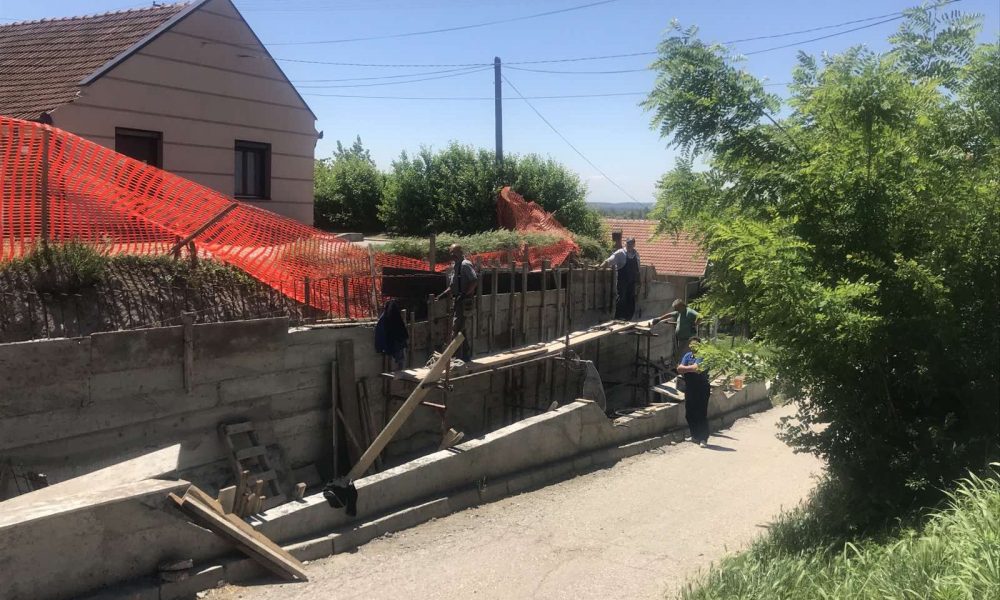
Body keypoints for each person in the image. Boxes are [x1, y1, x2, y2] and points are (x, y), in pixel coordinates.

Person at [437, 244, 478, 361]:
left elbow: (474, 281)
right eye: (450, 253)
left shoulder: (465, 265)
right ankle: (465, 356)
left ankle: (455, 356)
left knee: (456, 328)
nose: (451, 255)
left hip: (464, 301)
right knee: (461, 329)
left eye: (453, 252)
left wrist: (464, 294)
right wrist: (441, 295)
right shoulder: (456, 266)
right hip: (458, 300)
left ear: (460, 252)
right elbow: (453, 286)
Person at [675, 337, 711, 446]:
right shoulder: (687, 356)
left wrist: (686, 368)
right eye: (691, 344)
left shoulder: (703, 356)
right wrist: (690, 368)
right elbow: (679, 369)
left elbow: (697, 369)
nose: (692, 346)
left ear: (700, 346)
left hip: (702, 388)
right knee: (689, 413)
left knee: (701, 413)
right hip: (690, 387)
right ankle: (695, 436)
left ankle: (703, 439)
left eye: (695, 344)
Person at [601, 237, 640, 320]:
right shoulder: (620, 253)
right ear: (625, 243)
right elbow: (610, 260)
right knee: (621, 298)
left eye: (631, 244)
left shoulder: (636, 254)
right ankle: (619, 318)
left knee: (631, 299)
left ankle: (629, 318)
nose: (629, 245)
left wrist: (638, 281)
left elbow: (638, 269)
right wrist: (601, 266)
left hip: (632, 282)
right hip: (622, 281)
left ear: (634, 244)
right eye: (628, 243)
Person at [652, 299, 701, 364]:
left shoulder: (689, 312)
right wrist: (659, 319)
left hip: (688, 340)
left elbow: (700, 316)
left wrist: (695, 324)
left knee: (684, 356)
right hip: (681, 339)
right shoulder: (679, 312)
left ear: (681, 306)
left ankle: (684, 368)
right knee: (681, 356)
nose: (675, 309)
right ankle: (682, 368)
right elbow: (670, 314)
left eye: (676, 308)